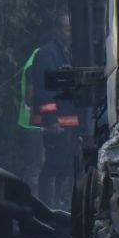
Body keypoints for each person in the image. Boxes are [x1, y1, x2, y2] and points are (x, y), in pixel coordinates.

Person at [27, 14, 80, 208]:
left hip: (73, 122)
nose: (71, 33)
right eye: (67, 29)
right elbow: (42, 90)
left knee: (67, 168)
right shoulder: (46, 54)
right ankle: (46, 208)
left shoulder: (73, 53)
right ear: (57, 31)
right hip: (58, 123)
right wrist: (51, 121)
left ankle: (61, 207)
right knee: (52, 167)